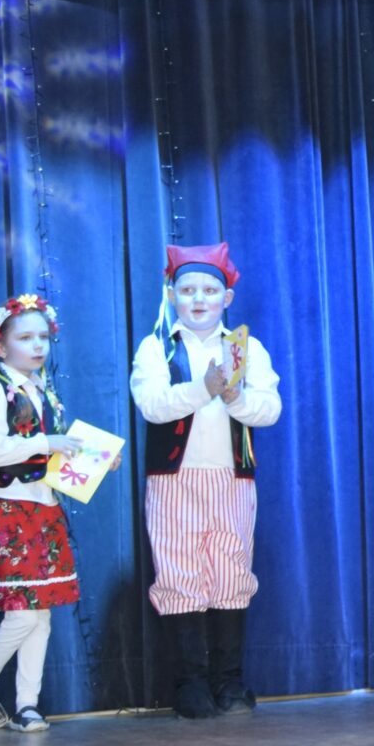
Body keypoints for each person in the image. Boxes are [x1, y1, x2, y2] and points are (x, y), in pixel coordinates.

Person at [0, 293, 118, 733]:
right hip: (6, 508)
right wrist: (48, 442)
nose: (38, 345)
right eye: (25, 338)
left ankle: (28, 704)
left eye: (43, 337)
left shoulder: (43, 389)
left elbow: (51, 458)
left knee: (40, 613)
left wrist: (96, 459)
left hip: (43, 507)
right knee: (23, 613)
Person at [129, 243, 281, 719]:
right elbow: (152, 405)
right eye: (188, 289)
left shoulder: (247, 348)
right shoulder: (157, 347)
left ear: (227, 298)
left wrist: (236, 399)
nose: (198, 299)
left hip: (232, 479)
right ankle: (190, 683)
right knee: (179, 573)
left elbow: (270, 409)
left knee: (231, 571)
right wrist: (203, 389)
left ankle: (228, 680)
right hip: (174, 480)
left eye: (210, 291)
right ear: (171, 295)